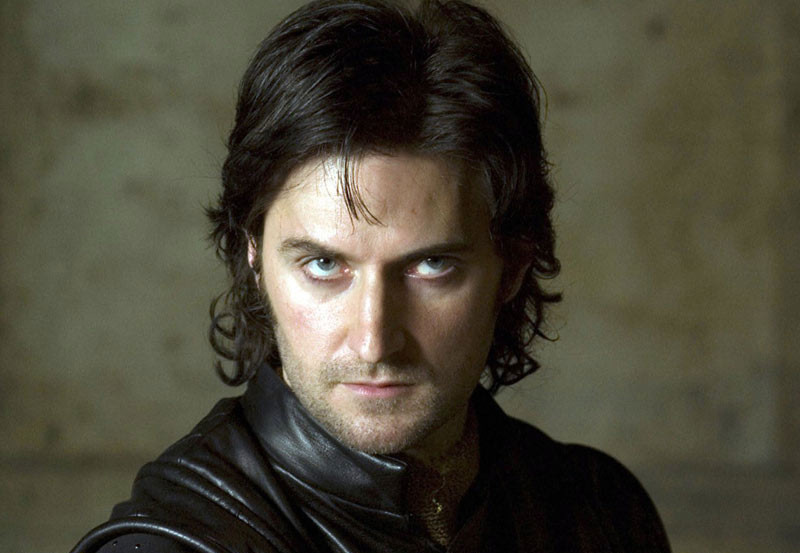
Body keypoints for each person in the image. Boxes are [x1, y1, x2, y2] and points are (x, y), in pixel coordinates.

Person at [71, 0, 671, 551]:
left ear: (511, 266)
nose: (374, 341)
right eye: (324, 265)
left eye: (432, 265)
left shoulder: (600, 514)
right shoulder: (178, 545)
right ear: (255, 259)